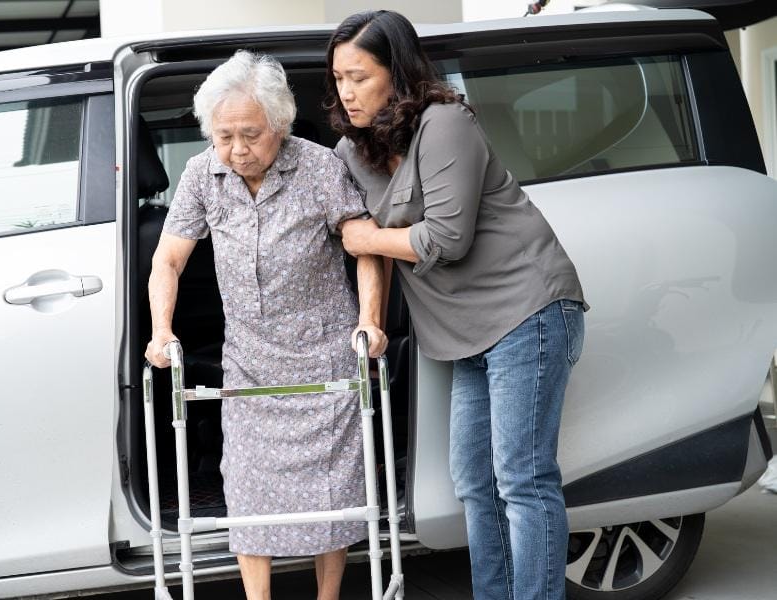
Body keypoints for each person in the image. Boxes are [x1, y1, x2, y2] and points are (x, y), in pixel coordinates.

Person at [326, 11, 588, 600]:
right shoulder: (351, 151)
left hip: (528, 309)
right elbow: (378, 253)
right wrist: (370, 321)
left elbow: (445, 239)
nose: (346, 90)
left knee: (523, 478)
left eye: (360, 76)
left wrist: (368, 238)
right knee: (475, 483)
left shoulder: (444, 124)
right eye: (338, 76)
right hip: (462, 333)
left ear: (397, 73)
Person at [144, 50, 387, 600]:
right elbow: (169, 259)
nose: (236, 150)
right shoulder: (204, 173)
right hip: (249, 361)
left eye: (249, 135)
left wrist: (369, 322)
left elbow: (367, 247)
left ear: (279, 123)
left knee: (333, 493)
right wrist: (163, 330)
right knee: (248, 489)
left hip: (323, 352)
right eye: (223, 136)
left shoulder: (319, 166)